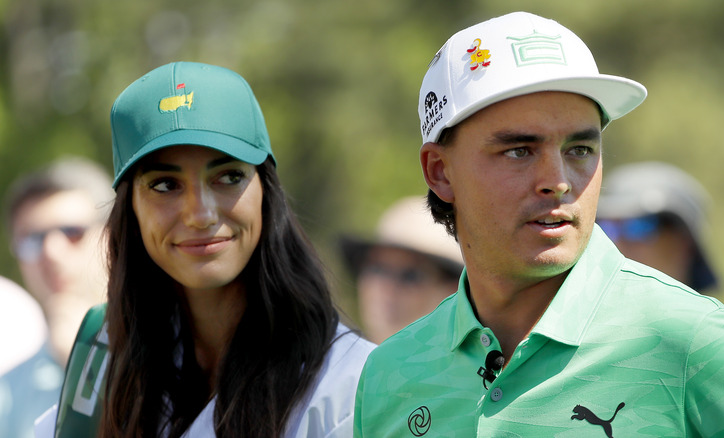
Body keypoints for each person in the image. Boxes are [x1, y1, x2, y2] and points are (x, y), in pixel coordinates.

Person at [354, 11, 724, 437]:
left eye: (579, 149)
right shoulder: (387, 376)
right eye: (519, 150)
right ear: (440, 172)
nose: (557, 181)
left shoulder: (696, 343)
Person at [36, 62, 374, 437]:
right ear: (130, 208)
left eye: (228, 177)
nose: (200, 214)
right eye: (165, 185)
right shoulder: (100, 365)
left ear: (266, 191)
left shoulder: (352, 384)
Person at [597, 160, 724, 357]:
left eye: (640, 226)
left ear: (684, 243)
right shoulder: (580, 348)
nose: (618, 243)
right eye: (607, 227)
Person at [0, 157, 112, 438]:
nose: (51, 251)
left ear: (113, 236)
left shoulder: (180, 346)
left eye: (72, 232)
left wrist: (82, 360)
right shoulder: (8, 393)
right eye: (32, 239)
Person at [339, 196, 463, 344]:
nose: (387, 287)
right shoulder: (330, 362)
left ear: (454, 290)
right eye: (376, 269)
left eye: (410, 276)